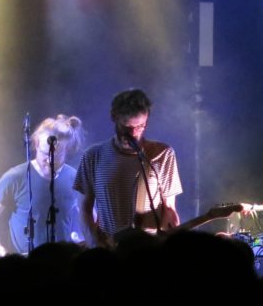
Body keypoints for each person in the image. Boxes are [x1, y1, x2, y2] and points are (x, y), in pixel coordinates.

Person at [74, 88, 182, 248]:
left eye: (140, 126)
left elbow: (169, 209)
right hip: (109, 250)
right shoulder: (93, 156)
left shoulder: (162, 154)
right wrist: (95, 244)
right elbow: (84, 209)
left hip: (148, 248)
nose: (133, 133)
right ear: (114, 117)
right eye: (127, 127)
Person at [0, 114, 85, 258]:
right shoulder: (15, 177)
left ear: (67, 150)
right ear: (36, 144)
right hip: (24, 264)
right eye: (45, 153)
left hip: (62, 262)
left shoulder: (75, 177)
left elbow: (91, 215)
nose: (50, 160)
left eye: (57, 155)